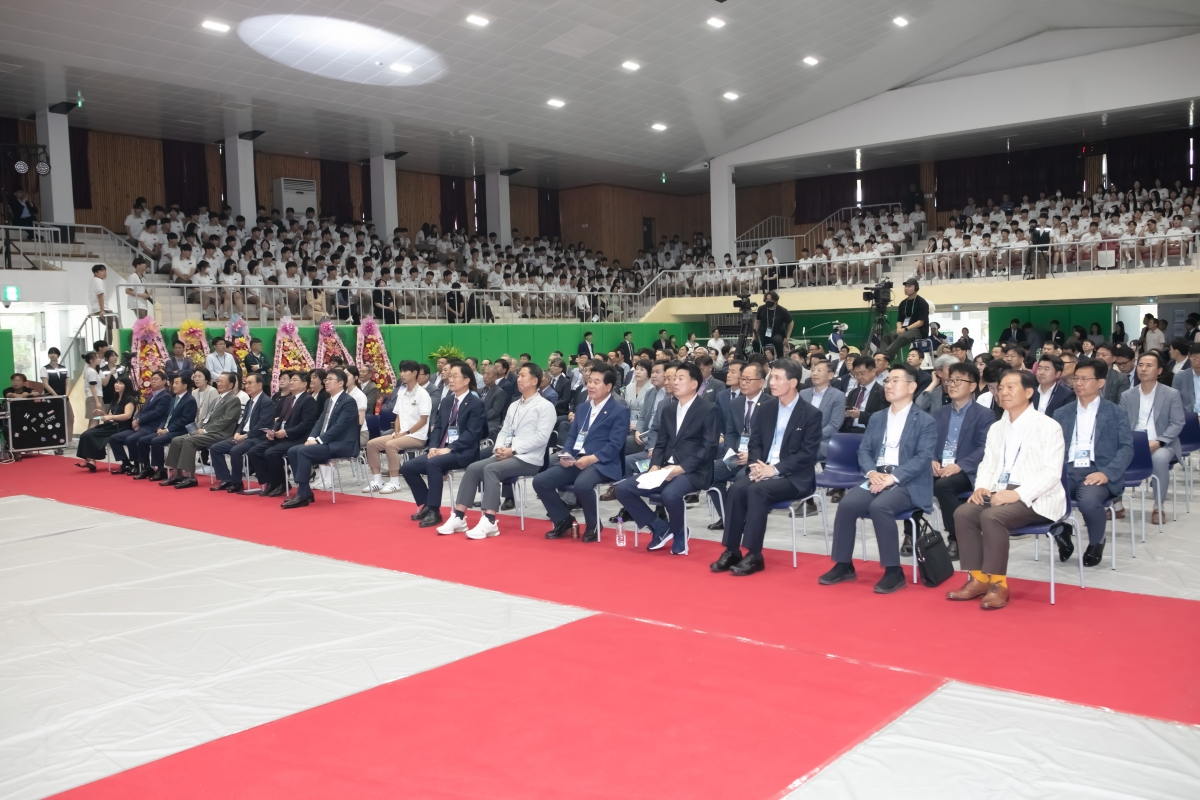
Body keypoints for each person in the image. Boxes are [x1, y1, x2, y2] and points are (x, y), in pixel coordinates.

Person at [949, 371, 1067, 610]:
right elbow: (988, 464)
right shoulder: (997, 427)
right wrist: (981, 487)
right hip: (998, 491)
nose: (1003, 392)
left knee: (991, 517)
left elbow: (1051, 473)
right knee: (963, 513)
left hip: (1036, 497)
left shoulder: (1048, 426)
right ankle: (979, 579)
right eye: (1001, 387)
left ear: (1029, 392)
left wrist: (1017, 494)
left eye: (1011, 387)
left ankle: (998, 584)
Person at [819, 364, 936, 594]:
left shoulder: (925, 420)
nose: (888, 385)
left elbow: (923, 458)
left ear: (912, 387)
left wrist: (892, 478)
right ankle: (844, 564)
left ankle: (893, 571)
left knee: (880, 507)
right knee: (848, 505)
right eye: (887, 381)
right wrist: (872, 473)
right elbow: (864, 450)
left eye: (895, 381)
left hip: (907, 481)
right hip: (876, 475)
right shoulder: (878, 418)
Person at [711, 359, 823, 576]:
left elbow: (807, 455)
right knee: (736, 489)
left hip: (793, 477)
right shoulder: (766, 408)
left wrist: (775, 469)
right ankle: (732, 550)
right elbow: (756, 442)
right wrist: (755, 464)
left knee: (756, 491)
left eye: (778, 378)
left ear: (793, 382)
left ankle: (754, 555)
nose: (772, 382)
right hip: (761, 469)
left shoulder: (810, 414)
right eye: (772, 377)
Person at [437, 363, 556, 539]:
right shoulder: (514, 405)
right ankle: (459, 517)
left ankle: (490, 520)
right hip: (506, 453)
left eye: (523, 376)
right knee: (473, 468)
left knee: (490, 469)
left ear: (534, 381)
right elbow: (504, 430)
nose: (519, 379)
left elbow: (542, 438)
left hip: (529, 459)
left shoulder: (545, 406)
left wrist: (513, 450)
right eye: (519, 375)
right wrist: (499, 448)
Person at [614, 363, 719, 555]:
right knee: (623, 489)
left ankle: (679, 533)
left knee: (670, 494)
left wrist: (680, 468)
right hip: (664, 468)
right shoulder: (668, 409)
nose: (674, 382)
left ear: (694, 384)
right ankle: (659, 527)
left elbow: (708, 448)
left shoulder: (708, 409)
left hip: (694, 471)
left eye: (680, 378)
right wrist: (655, 465)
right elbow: (661, 443)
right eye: (674, 378)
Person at [533, 366, 630, 542]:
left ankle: (593, 524)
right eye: (589, 381)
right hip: (577, 460)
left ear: (608, 387)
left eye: (596, 382)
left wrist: (591, 458)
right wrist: (566, 453)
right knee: (541, 481)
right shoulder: (583, 407)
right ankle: (563, 520)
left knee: (582, 485)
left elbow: (615, 444)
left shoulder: (619, 409)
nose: (590, 385)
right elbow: (573, 435)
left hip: (603, 462)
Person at [1052, 359, 1133, 567]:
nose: (1078, 383)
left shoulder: (1115, 412)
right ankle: (1061, 530)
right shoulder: (1061, 413)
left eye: (1084, 379)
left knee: (1088, 501)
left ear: (1100, 382)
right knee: (1038, 495)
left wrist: (1107, 473)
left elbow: (1126, 448)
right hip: (1066, 470)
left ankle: (1097, 542)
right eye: (1076, 378)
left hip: (1099, 470)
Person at [400, 361, 486, 527]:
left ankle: (434, 510)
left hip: (463, 452)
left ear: (466, 380)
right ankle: (426, 504)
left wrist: (449, 449)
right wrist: (433, 447)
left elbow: (472, 433)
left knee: (433, 464)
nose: (450, 379)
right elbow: (438, 427)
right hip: (441, 450)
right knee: (407, 468)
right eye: (450, 376)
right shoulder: (447, 401)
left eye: (455, 376)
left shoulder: (476, 404)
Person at [930, 361, 992, 561]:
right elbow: (928, 441)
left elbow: (984, 447)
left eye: (959, 381)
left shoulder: (985, 414)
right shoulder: (939, 413)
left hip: (967, 469)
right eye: (950, 380)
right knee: (912, 479)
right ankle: (909, 534)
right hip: (939, 466)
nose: (952, 385)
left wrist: (959, 466)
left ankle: (956, 538)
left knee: (943, 486)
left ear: (972, 386)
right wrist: (932, 459)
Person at [1119, 353, 1185, 525]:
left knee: (1159, 459)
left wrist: (1159, 442)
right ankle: (1117, 505)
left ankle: (1158, 506)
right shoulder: (1127, 395)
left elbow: (1177, 423)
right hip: (1134, 443)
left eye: (1149, 365)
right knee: (1112, 456)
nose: (1143, 369)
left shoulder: (1171, 394)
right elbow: (1121, 423)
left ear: (1159, 370)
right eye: (1141, 365)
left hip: (1162, 443)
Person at [281, 370, 362, 508]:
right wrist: (311, 438)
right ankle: (305, 491)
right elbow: (319, 423)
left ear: (340, 383)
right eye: (326, 379)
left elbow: (339, 427)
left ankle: (302, 494)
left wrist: (318, 441)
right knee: (293, 450)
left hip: (341, 444)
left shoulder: (348, 402)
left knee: (303, 451)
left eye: (330, 379)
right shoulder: (329, 401)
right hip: (328, 442)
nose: (326, 382)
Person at [708, 361, 767, 530]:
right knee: (708, 472)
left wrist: (752, 455)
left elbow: (771, 439)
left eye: (748, 380)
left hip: (758, 459)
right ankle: (728, 517)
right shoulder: (735, 403)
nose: (744, 383)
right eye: (742, 379)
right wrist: (731, 453)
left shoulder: (771, 403)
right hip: (736, 455)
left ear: (761, 382)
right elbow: (731, 433)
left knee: (741, 480)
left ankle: (742, 518)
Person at [160, 372, 242, 488]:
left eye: (222, 381)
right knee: (177, 440)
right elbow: (206, 418)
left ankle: (191, 478)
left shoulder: (233, 400)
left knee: (189, 441)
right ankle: (178, 475)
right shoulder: (217, 399)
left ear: (231, 385)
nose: (218, 383)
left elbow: (226, 421)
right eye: (218, 381)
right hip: (208, 431)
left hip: (221, 433)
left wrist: (204, 430)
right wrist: (194, 429)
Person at [362, 361, 430, 494]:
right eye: (401, 371)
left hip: (417, 436)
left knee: (390, 445)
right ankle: (377, 480)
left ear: (414, 373)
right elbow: (398, 416)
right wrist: (397, 431)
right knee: (371, 444)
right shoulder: (402, 393)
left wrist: (406, 432)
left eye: (405, 371)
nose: (402, 374)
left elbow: (423, 420)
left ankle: (394, 482)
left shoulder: (423, 394)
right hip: (401, 434)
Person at [251, 371, 319, 497]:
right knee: (254, 451)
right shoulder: (288, 399)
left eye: (294, 380)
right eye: (291, 380)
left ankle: (281, 484)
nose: (291, 382)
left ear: (304, 384)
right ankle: (271, 482)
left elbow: (307, 424)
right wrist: (273, 431)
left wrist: (287, 433)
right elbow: (280, 420)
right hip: (281, 436)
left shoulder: (308, 400)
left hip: (296, 438)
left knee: (271, 453)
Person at [209, 372, 273, 492]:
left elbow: (263, 424)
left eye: (250, 383)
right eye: (245, 383)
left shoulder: (266, 402)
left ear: (259, 385)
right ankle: (226, 479)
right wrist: (238, 432)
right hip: (244, 435)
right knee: (215, 448)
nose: (246, 386)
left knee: (235, 450)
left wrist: (245, 436)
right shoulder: (250, 401)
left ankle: (237, 482)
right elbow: (243, 421)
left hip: (257, 437)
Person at [135, 373, 197, 482]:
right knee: (142, 440)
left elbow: (185, 420)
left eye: (177, 383)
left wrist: (167, 430)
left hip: (180, 431)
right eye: (173, 383)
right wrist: (160, 427)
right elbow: (166, 416)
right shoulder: (174, 399)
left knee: (156, 441)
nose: (173, 386)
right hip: (167, 429)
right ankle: (147, 467)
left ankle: (161, 470)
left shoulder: (189, 400)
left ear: (185, 385)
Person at [109, 370, 170, 473]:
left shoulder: (166, 396)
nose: (153, 381)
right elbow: (141, 411)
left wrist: (139, 421)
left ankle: (141, 465)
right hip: (141, 426)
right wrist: (136, 419)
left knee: (131, 439)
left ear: (164, 381)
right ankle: (126, 464)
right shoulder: (151, 395)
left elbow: (156, 413)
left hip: (152, 427)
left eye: (156, 379)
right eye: (152, 379)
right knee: (114, 438)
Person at [74, 376, 137, 471]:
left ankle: (91, 460)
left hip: (122, 426)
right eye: (116, 383)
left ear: (126, 386)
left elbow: (127, 416)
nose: (117, 385)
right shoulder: (116, 398)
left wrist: (110, 417)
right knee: (86, 434)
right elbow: (110, 416)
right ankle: (89, 459)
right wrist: (103, 414)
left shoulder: (129, 399)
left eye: (120, 383)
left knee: (90, 435)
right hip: (112, 425)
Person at [799, 359, 846, 458]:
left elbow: (834, 425)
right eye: (813, 370)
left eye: (819, 370)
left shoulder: (838, 396)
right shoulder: (803, 393)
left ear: (830, 375)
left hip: (822, 442)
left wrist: (811, 437)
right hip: (800, 439)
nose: (814, 373)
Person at [881, 278, 929, 360]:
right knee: (886, 337)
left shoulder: (921, 302)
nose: (906, 288)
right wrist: (899, 328)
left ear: (916, 288)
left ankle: (886, 358)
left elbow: (920, 322)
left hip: (919, 330)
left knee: (901, 337)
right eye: (905, 286)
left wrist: (905, 329)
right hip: (904, 329)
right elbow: (899, 320)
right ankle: (882, 355)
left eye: (909, 286)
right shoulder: (903, 303)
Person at [840, 355, 886, 432]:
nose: (859, 377)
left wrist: (860, 415)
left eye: (862, 373)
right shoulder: (853, 392)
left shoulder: (882, 392)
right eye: (856, 374)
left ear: (873, 371)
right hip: (847, 430)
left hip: (867, 431)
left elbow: (883, 417)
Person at [754, 291, 793, 357]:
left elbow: (791, 323)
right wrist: (754, 335)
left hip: (777, 333)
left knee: (777, 341)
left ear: (775, 300)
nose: (768, 301)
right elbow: (757, 322)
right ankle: (758, 358)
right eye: (767, 299)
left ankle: (780, 358)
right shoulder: (761, 309)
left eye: (770, 300)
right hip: (763, 333)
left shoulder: (782, 310)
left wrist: (787, 337)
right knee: (755, 342)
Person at [81, 351, 103, 429]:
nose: (99, 359)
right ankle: (91, 436)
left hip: (94, 397)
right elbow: (92, 387)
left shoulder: (91, 370)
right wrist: (97, 402)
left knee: (94, 420)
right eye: (97, 358)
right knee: (95, 420)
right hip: (94, 398)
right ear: (91, 361)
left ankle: (89, 436)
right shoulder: (91, 371)